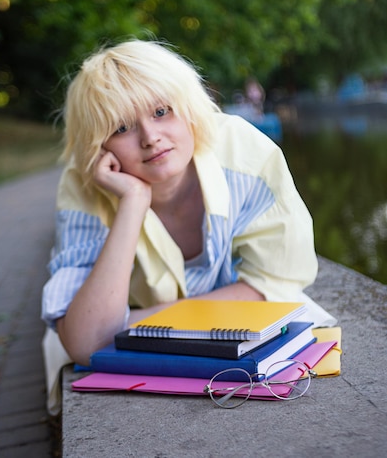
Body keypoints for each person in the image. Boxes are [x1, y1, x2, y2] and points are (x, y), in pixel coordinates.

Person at [41, 38, 330, 414]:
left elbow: (277, 283)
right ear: (98, 147)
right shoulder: (84, 185)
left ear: (189, 106)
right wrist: (132, 203)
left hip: (154, 336)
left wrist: (133, 322)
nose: (150, 137)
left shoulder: (243, 151)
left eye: (162, 111)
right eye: (122, 127)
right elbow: (85, 340)